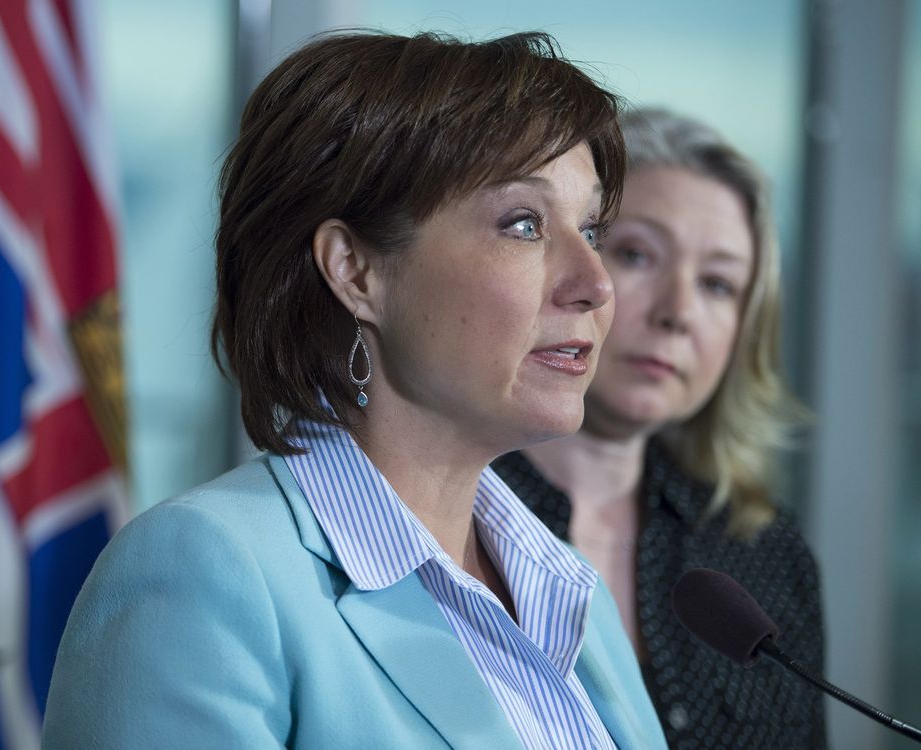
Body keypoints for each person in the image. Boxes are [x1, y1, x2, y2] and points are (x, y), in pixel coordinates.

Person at [41, 32, 669, 749]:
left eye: (590, 228)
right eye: (523, 224)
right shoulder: (204, 574)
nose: (596, 283)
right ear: (355, 272)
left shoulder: (566, 584)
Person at [493, 107, 826, 749]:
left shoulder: (769, 554)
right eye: (638, 254)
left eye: (718, 284)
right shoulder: (445, 521)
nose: (678, 312)